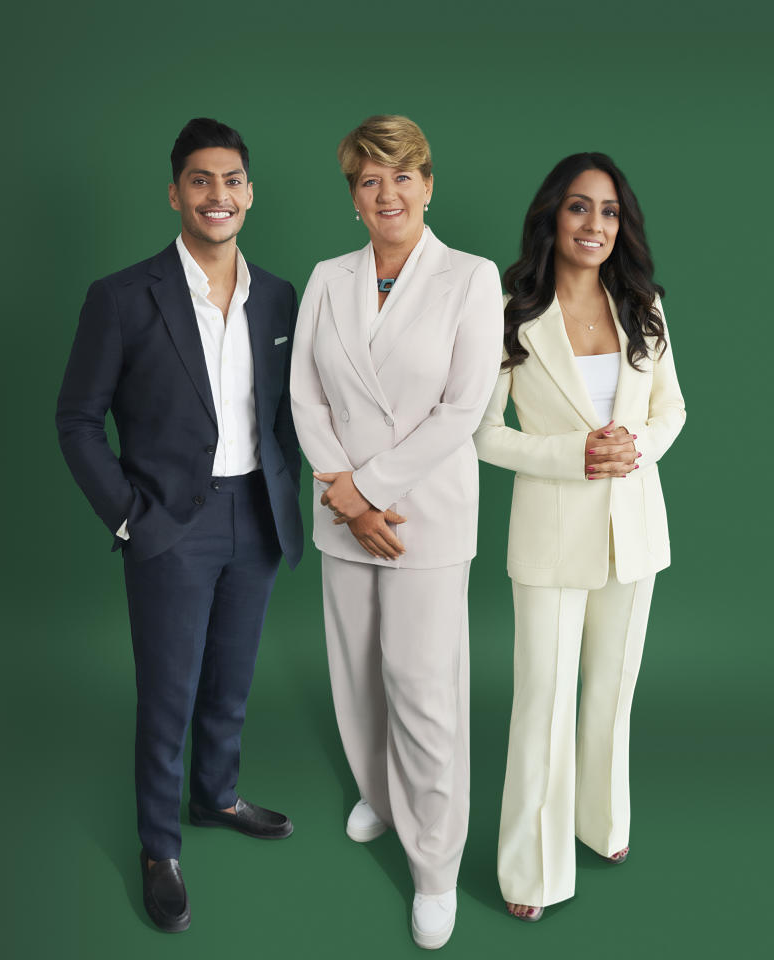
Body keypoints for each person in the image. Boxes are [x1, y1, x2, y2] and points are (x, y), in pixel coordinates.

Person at [56, 118, 303, 933]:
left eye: (232, 180)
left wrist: (285, 486)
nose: (218, 195)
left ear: (250, 193)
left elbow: (286, 415)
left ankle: (216, 796)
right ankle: (159, 848)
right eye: (201, 180)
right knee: (169, 697)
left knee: (230, 684)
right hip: (168, 526)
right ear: (175, 194)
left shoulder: (277, 296)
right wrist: (130, 519)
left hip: (255, 518)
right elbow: (78, 420)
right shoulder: (122, 297)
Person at [290, 115, 503, 949]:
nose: (387, 193)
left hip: (424, 518)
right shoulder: (326, 277)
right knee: (354, 674)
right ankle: (380, 794)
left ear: (427, 183)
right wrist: (347, 500)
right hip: (345, 517)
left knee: (423, 690)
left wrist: (370, 492)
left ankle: (435, 868)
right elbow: (304, 394)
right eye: (369, 180)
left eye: (402, 175)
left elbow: (464, 408)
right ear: (352, 197)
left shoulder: (470, 278)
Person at [473, 153, 686, 921]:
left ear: (619, 226)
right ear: (550, 218)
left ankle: (602, 823)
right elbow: (482, 433)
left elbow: (672, 411)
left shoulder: (645, 305)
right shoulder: (509, 310)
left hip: (636, 530)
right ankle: (530, 871)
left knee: (613, 691)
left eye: (608, 212)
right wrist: (574, 455)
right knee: (544, 700)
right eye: (578, 208)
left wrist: (636, 447)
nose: (594, 225)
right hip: (550, 533)